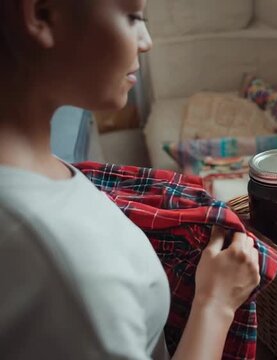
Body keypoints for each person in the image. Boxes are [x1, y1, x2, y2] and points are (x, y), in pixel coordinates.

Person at [0, 0, 260, 359]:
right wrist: (216, 303)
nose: (146, 41)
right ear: (42, 13)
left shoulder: (31, 166)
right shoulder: (68, 272)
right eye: (133, 17)